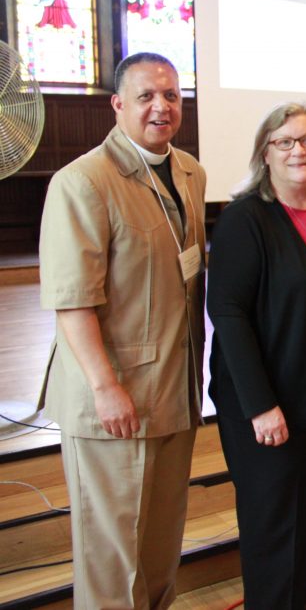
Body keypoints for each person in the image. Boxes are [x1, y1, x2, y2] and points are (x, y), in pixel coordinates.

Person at [38, 52, 205, 609]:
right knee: (114, 553)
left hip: (172, 388)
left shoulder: (189, 171)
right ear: (118, 105)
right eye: (145, 96)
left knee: (160, 541)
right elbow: (72, 302)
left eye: (172, 95)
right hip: (114, 397)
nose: (161, 106)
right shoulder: (83, 181)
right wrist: (106, 388)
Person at [206, 102, 306, 609]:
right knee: (275, 517)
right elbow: (228, 315)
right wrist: (259, 405)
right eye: (285, 141)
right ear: (265, 153)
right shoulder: (246, 219)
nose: (299, 150)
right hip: (270, 398)